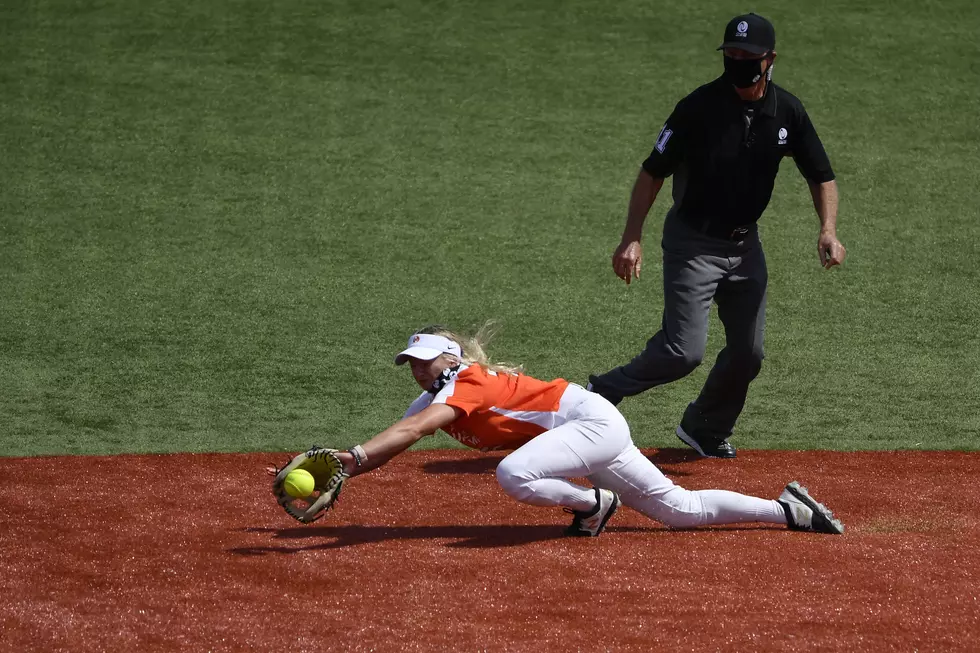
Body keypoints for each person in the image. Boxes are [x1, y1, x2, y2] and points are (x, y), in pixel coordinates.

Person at [586, 13, 846, 458]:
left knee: (749, 354)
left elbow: (821, 176)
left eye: (748, 56)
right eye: (732, 54)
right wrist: (632, 237)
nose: (739, 62)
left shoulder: (788, 112)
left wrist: (828, 229)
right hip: (693, 244)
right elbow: (652, 173)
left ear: (770, 60)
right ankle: (600, 391)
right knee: (682, 352)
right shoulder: (698, 108)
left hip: (746, 249)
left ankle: (704, 427)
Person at [331, 325, 844, 537]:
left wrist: (350, 456)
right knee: (679, 512)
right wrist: (344, 467)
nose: (418, 371)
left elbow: (417, 430)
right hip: (579, 439)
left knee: (514, 473)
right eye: (411, 365)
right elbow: (397, 437)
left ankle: (593, 506)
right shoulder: (434, 395)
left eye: (424, 361)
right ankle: (790, 509)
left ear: (451, 357)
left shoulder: (469, 382)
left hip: (591, 423)